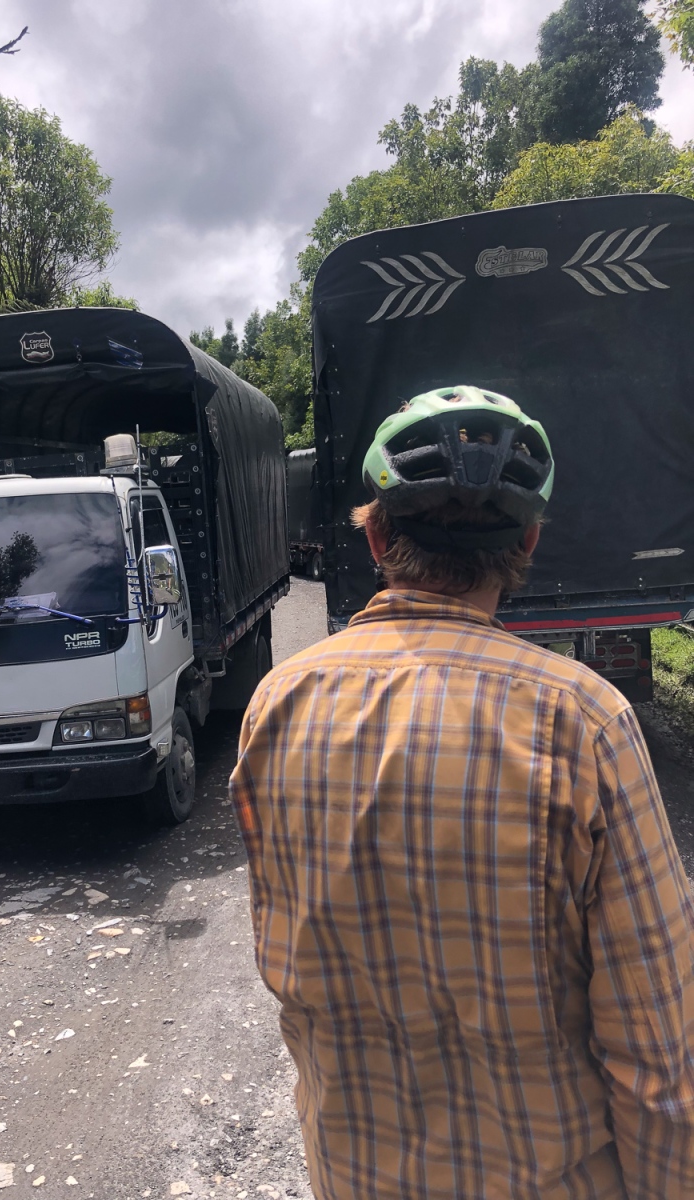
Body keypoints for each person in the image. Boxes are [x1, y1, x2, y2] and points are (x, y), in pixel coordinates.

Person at [229, 386, 694, 1200]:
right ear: (529, 541)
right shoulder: (585, 722)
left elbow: (288, 964)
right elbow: (660, 1050)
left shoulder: (278, 703)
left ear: (376, 537)